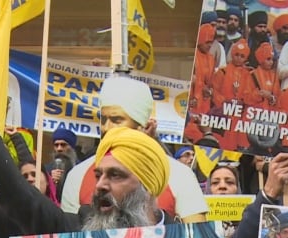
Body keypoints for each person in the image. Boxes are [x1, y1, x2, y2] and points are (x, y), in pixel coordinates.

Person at [0, 57, 176, 235]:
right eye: (98, 175)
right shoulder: (77, 230)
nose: (100, 186)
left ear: (147, 185)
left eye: (116, 175)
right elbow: (17, 195)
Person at [60, 74, 209, 224]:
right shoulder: (77, 176)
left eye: (116, 120)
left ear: (143, 126)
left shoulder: (181, 175)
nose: (106, 128)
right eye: (103, 119)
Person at [190, 24, 217, 116]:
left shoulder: (211, 58)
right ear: (200, 40)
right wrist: (202, 87)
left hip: (205, 103)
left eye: (211, 42)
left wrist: (210, 90)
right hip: (193, 101)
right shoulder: (193, 55)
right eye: (207, 42)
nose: (210, 45)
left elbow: (212, 81)